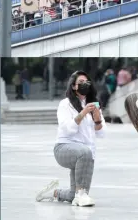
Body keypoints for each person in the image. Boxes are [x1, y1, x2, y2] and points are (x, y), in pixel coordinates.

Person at [36, 71, 106, 207]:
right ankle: (81, 195)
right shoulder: (65, 104)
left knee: (71, 195)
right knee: (85, 153)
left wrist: (97, 120)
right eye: (80, 82)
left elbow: (101, 133)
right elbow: (67, 129)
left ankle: (54, 193)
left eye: (87, 82)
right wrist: (83, 113)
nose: (84, 85)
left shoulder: (94, 105)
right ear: (74, 86)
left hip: (85, 154)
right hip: (64, 148)